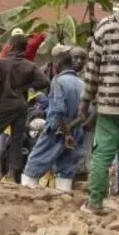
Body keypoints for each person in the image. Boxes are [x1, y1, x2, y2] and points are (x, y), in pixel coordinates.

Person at [0, 33, 50, 183]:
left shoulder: (1, 63)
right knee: (17, 139)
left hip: (4, 104)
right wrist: (26, 87)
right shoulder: (29, 65)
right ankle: (11, 175)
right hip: (21, 105)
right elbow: (45, 81)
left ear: (11, 46)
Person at [81, 0, 119, 213]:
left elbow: (92, 69)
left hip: (110, 103)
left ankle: (95, 202)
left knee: (103, 153)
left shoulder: (105, 27)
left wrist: (85, 100)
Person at [22, 50, 85, 191]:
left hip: (56, 130)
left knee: (35, 162)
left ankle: (25, 194)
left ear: (58, 64)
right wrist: (71, 129)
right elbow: (85, 114)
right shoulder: (82, 84)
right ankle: (63, 197)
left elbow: (59, 110)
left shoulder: (58, 81)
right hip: (76, 131)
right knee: (66, 167)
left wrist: (65, 131)